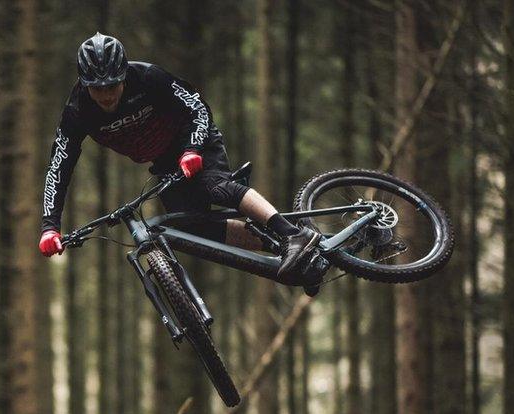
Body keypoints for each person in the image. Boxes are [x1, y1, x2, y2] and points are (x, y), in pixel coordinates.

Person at [38, 32, 320, 276]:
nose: (107, 95)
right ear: (85, 85)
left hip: (196, 140)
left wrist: (193, 149)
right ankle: (281, 248)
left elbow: (197, 107)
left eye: (112, 85)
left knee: (214, 186)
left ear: (124, 75)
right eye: (98, 89)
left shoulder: (148, 78)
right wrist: (50, 227)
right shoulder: (77, 112)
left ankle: (294, 235)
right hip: (164, 163)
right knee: (186, 229)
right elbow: (58, 168)